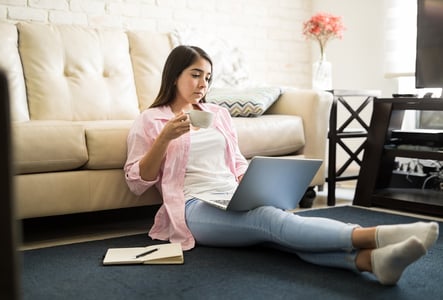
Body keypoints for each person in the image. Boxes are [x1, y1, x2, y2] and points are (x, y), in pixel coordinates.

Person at [124, 45, 439, 285]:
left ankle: (371, 263)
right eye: (195, 74)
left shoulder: (217, 114)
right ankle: (376, 236)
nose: (202, 84)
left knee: (276, 233)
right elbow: (138, 183)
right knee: (270, 223)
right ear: (174, 75)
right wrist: (165, 138)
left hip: (232, 194)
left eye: (207, 77)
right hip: (194, 207)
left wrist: (256, 184)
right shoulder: (151, 120)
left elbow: (234, 161)